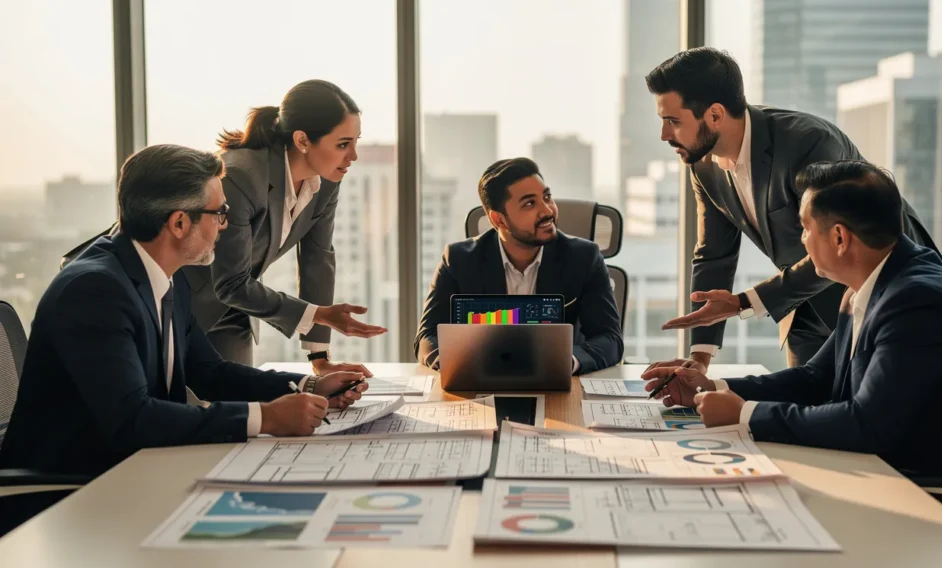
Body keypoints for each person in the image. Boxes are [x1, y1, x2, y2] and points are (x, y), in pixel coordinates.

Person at [0, 144, 369, 478]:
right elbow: (134, 419)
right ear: (179, 223)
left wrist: (309, 385)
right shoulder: (95, 291)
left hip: (132, 472)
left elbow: (210, 373)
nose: (224, 225)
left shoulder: (162, 278)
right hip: (69, 491)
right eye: (219, 213)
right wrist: (267, 417)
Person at [642, 160, 942, 488]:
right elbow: (815, 380)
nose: (802, 241)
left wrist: (743, 414)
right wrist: (713, 386)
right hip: (889, 477)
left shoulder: (920, 302)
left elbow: (868, 425)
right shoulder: (869, 287)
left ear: (839, 238)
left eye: (805, 228)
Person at [645, 47, 940, 369]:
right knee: (799, 402)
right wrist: (699, 358)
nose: (664, 135)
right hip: (802, 305)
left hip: (885, 296)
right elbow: (714, 254)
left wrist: (746, 302)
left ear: (715, 115)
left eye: (672, 121)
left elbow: (839, 242)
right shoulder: (703, 163)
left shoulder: (808, 142)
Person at [183, 79, 386, 372]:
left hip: (236, 308)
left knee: (238, 407)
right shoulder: (239, 177)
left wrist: (320, 360)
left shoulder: (327, 179)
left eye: (356, 142)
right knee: (186, 412)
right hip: (178, 301)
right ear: (302, 140)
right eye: (343, 144)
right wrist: (319, 314)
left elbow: (317, 259)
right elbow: (230, 282)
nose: (353, 156)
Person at [415, 157, 623, 374]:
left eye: (547, 197)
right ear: (498, 220)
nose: (547, 211)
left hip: (560, 384)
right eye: (530, 203)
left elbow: (610, 339)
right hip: (481, 386)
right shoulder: (458, 260)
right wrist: (459, 363)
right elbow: (427, 337)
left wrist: (567, 361)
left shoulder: (583, 258)